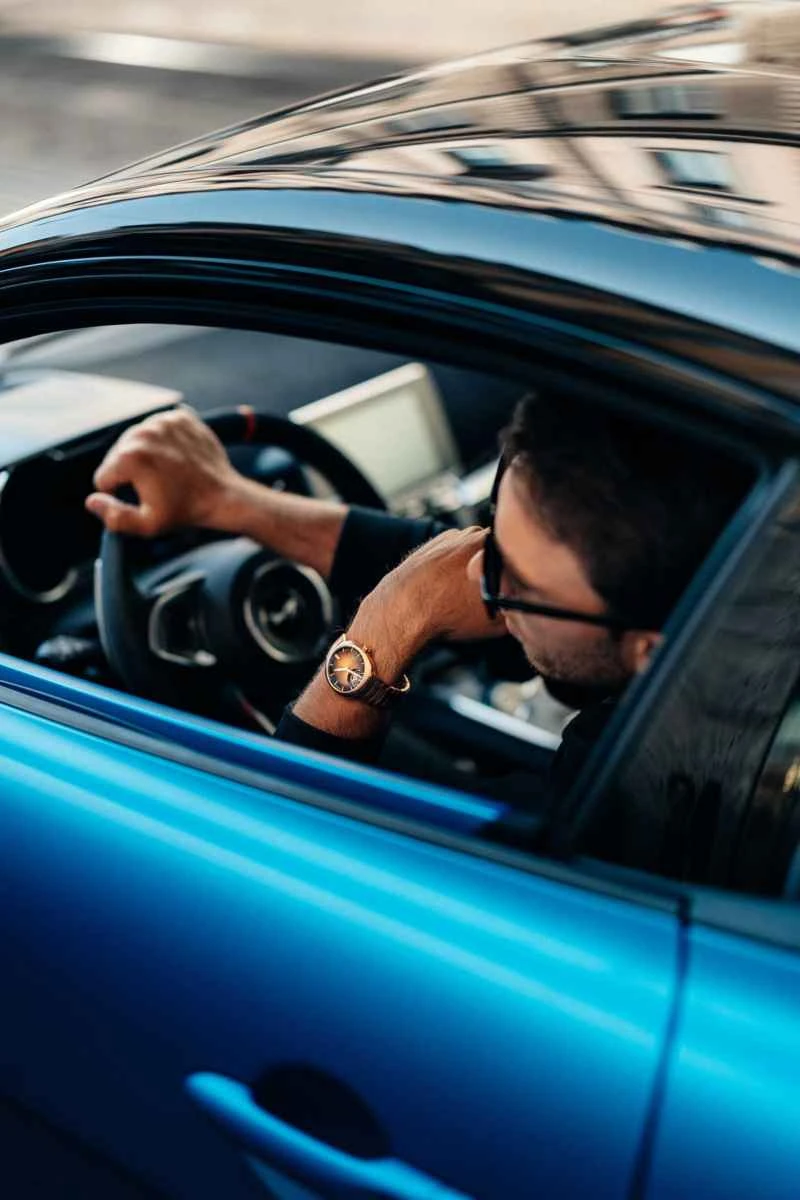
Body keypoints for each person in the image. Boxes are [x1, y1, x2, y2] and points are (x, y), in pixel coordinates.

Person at [85, 392, 748, 825]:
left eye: (514, 581)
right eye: (492, 533)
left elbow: (287, 848)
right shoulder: (736, 587)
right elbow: (452, 571)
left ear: (654, 651)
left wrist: (379, 635)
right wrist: (225, 499)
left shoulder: (637, 806)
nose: (482, 581)